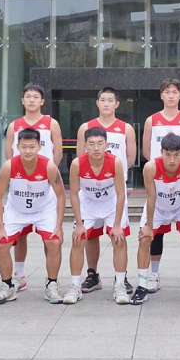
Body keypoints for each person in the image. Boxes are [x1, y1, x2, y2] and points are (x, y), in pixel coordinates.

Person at [131, 133, 180, 305]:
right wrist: (149, 226)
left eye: (176, 154)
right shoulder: (151, 167)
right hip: (158, 207)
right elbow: (151, 198)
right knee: (145, 239)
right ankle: (143, 285)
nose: (172, 159)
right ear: (161, 152)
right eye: (168, 154)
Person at [141, 78, 180, 292]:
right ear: (161, 95)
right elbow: (146, 151)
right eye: (167, 92)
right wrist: (161, 168)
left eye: (174, 92)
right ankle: (153, 275)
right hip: (159, 180)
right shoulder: (151, 120)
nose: (170, 95)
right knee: (155, 232)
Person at [0, 129, 66, 305]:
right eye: (23, 147)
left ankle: (52, 284)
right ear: (17, 147)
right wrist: (0, 227)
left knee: (54, 242)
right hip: (16, 211)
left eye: (32, 147)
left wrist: (59, 226)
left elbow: (61, 196)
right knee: (1, 245)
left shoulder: (49, 166)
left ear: (39, 147)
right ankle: (7, 286)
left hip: (43, 210)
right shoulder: (9, 166)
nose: (27, 151)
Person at [75, 86, 136, 293]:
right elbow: (80, 158)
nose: (106, 103)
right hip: (90, 190)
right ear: (97, 103)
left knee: (119, 235)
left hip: (114, 189)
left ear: (117, 104)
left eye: (110, 100)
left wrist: (114, 175)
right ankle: (92, 275)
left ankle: (121, 277)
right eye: (103, 100)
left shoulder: (126, 128)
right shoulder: (86, 127)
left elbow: (130, 157)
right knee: (90, 235)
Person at [4, 83, 63, 291]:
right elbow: (9, 155)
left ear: (42, 101)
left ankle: (51, 278)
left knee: (49, 237)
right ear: (22, 100)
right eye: (28, 96)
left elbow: (58, 153)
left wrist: (47, 174)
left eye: (35, 97)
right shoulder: (14, 126)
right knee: (19, 234)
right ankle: (19, 275)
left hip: (44, 185)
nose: (31, 100)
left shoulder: (51, 123)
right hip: (21, 185)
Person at [65, 127, 130, 305]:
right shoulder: (77, 164)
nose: (96, 148)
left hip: (111, 203)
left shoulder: (115, 162)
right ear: (85, 146)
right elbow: (73, 194)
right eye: (91, 144)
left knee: (119, 239)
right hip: (88, 203)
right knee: (78, 240)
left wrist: (117, 225)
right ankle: (75, 286)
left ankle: (120, 285)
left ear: (106, 145)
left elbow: (121, 194)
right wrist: (79, 224)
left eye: (100, 143)